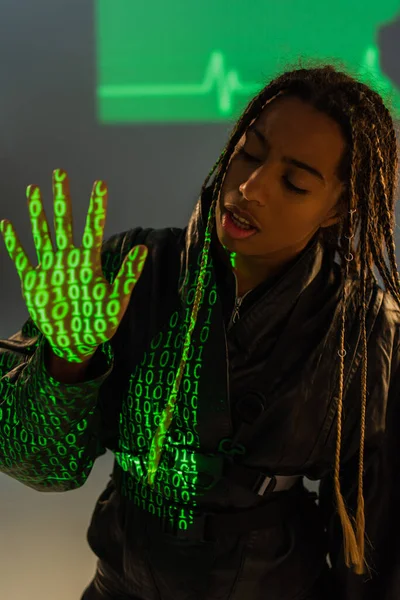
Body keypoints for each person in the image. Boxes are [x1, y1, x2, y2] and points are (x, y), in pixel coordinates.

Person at [0, 63, 399, 600]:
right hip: (123, 584)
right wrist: (69, 360)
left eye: (295, 182)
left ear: (340, 207)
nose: (251, 188)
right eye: (250, 153)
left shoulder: (366, 329)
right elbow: (41, 468)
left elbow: (377, 548)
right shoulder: (129, 273)